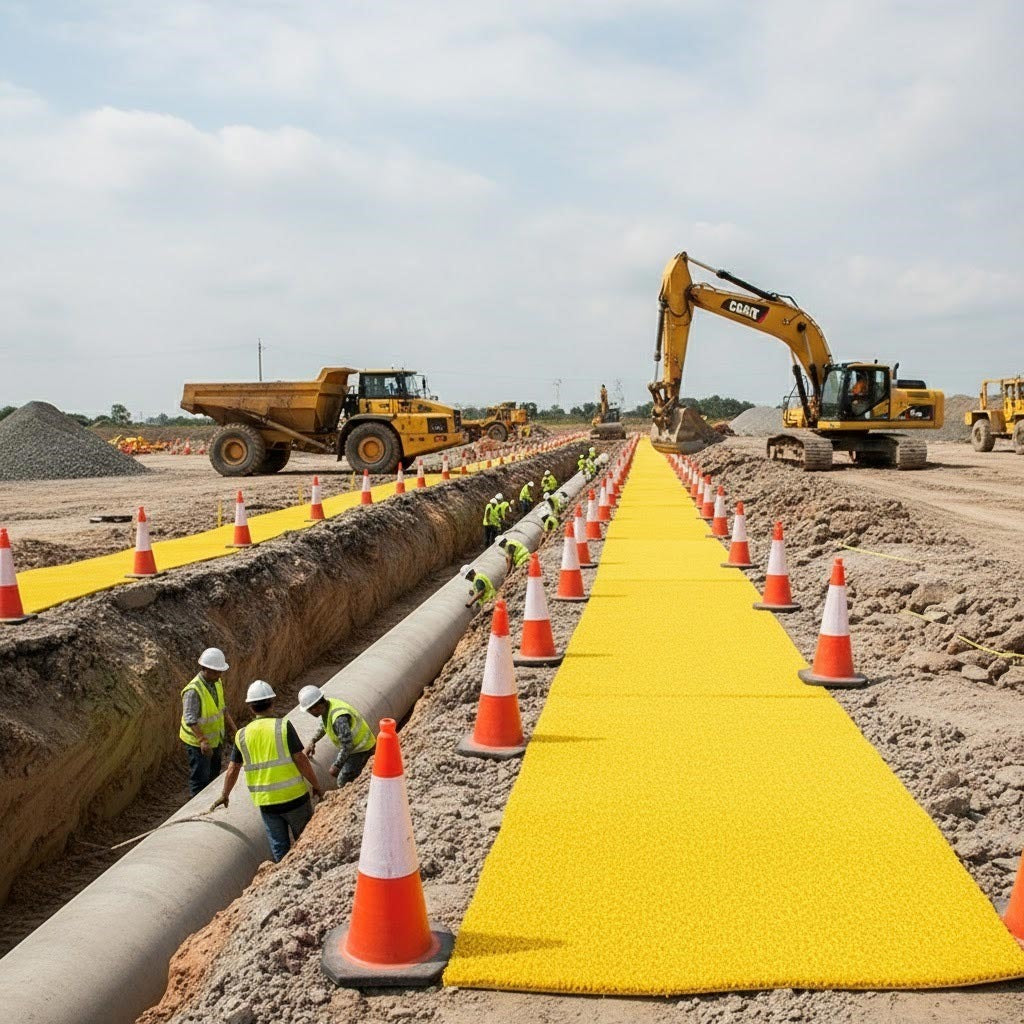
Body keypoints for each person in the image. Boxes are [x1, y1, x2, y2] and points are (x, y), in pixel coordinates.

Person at [212, 680, 324, 863]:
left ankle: (283, 879)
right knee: (307, 842)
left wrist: (225, 794)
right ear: (272, 702)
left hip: (267, 804)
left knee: (279, 848)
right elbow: (301, 759)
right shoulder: (282, 726)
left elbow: (233, 768)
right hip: (294, 798)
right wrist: (316, 785)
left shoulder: (242, 734)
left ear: (250, 707)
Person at [180, 647, 237, 797]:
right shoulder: (193, 691)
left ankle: (211, 800)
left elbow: (222, 709)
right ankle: (197, 807)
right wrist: (203, 741)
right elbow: (190, 719)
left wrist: (233, 729)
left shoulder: (216, 683)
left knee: (213, 774)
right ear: (205, 668)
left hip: (215, 739)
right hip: (198, 744)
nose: (219, 675)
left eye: (220, 671)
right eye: (216, 672)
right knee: (200, 778)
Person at [298, 685, 375, 785]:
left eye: (309, 710)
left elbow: (347, 746)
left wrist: (336, 765)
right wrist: (312, 741)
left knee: (342, 780)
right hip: (355, 748)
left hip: (362, 749)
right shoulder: (327, 706)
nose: (309, 713)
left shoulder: (339, 719)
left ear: (316, 707)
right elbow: (324, 725)